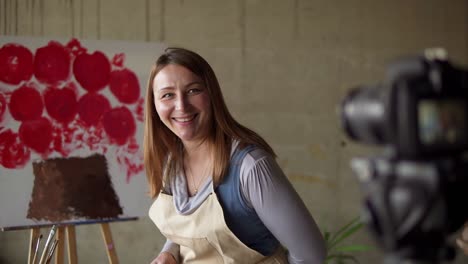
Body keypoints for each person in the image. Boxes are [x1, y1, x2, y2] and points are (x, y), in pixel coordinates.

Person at [144, 47, 326, 264]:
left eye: (193, 90)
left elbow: (311, 256)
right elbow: (191, 228)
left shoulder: (250, 167)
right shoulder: (172, 163)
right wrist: (170, 252)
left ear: (212, 95)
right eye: (167, 95)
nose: (181, 105)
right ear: (154, 105)